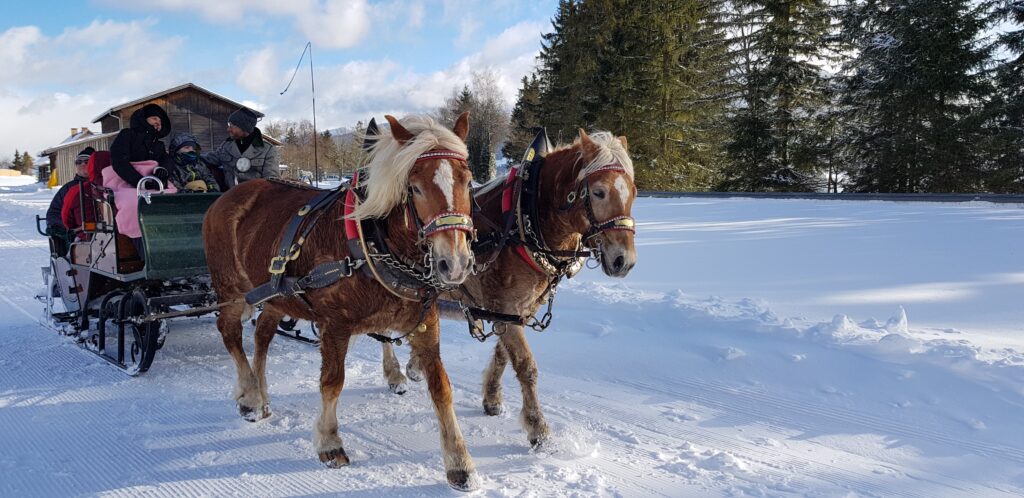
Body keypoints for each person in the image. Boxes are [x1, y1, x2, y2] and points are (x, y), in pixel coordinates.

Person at [203, 107, 280, 188]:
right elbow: (210, 159)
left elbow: (271, 182)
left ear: (244, 127)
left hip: (255, 198)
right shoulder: (226, 146)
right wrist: (192, 154)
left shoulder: (268, 150)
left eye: (232, 125)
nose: (228, 129)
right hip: (229, 197)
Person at [109, 103, 171, 187]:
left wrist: (163, 169)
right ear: (144, 119)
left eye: (160, 121)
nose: (158, 123)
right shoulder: (128, 135)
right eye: (154, 118)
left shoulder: (158, 144)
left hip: (153, 182)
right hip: (126, 182)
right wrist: (140, 182)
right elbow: (119, 160)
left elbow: (167, 160)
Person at [45, 147, 93, 253]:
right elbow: (53, 214)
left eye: (86, 161)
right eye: (78, 162)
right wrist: (71, 227)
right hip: (77, 234)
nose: (82, 164)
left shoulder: (105, 185)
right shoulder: (69, 189)